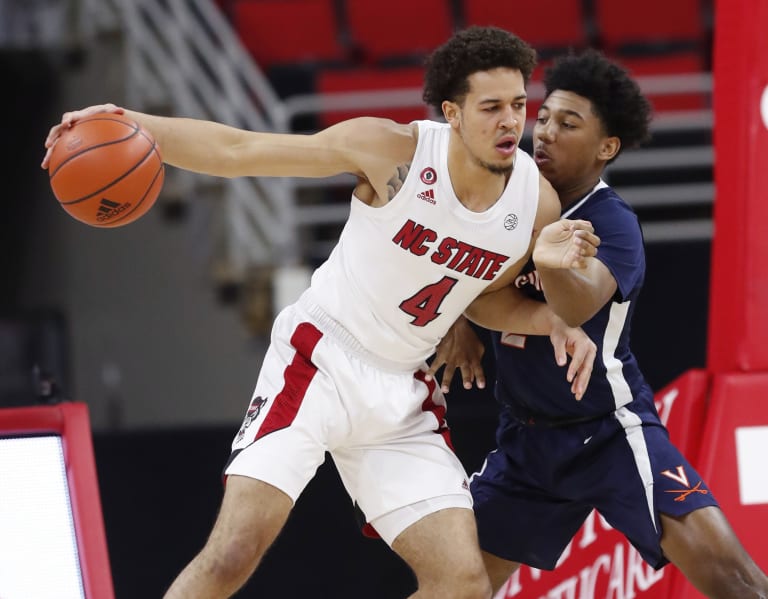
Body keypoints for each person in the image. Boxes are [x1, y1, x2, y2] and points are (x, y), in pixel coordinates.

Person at [42, 27, 601, 599]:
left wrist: (550, 319)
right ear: (453, 114)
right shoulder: (391, 151)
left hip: (402, 388)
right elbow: (241, 151)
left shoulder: (537, 203)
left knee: (462, 584)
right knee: (233, 554)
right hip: (320, 359)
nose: (511, 122)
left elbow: (484, 296)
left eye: (518, 104)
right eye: (491, 108)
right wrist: (130, 123)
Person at [430, 49, 768, 598]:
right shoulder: (506, 195)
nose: (544, 133)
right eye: (544, 117)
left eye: (568, 124)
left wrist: (549, 262)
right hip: (526, 441)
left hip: (609, 431)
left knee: (736, 584)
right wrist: (459, 320)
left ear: (606, 147)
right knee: (453, 587)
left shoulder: (612, 223)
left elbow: (580, 307)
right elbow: (457, 265)